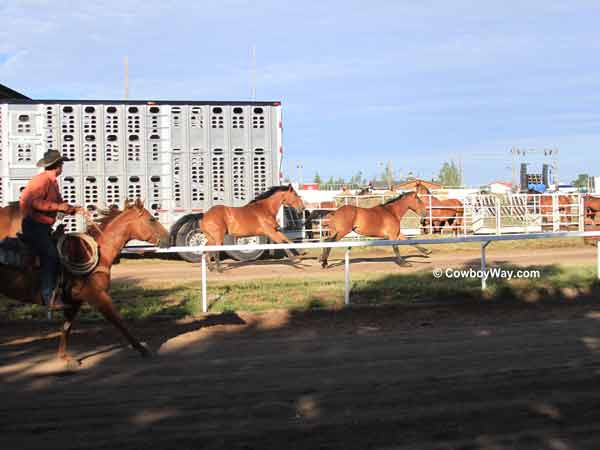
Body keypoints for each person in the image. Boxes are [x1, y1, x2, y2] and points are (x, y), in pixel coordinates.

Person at [19, 150, 80, 309]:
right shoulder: (42, 181)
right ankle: (48, 296)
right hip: (34, 226)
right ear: (57, 166)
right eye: (62, 164)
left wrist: (72, 209)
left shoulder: (52, 182)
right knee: (51, 255)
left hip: (43, 226)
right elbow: (35, 202)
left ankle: (61, 290)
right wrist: (58, 206)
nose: (63, 167)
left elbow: (59, 203)